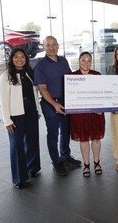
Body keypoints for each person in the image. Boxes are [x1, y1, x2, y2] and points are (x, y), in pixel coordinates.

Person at [34, 36, 81, 176]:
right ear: (44, 47)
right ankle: (56, 162)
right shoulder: (40, 66)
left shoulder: (63, 61)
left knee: (66, 131)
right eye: (48, 45)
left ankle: (66, 156)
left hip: (66, 102)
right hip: (50, 104)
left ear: (58, 45)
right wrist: (54, 104)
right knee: (53, 133)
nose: (52, 47)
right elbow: (42, 88)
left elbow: (71, 80)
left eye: (54, 44)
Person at [0, 48, 41, 189]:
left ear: (26, 59)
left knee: (33, 139)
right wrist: (7, 120)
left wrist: (37, 110)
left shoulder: (29, 73)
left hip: (30, 109)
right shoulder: (6, 76)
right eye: (16, 57)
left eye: (22, 57)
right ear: (11, 59)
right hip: (15, 113)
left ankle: (32, 168)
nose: (20, 59)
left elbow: (35, 93)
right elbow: (3, 100)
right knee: (17, 145)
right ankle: (19, 178)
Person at [70, 52, 105, 177]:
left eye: (89, 60)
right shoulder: (72, 77)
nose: (86, 63)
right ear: (79, 62)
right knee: (84, 139)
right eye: (83, 60)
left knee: (96, 138)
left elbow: (103, 95)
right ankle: (86, 165)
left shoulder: (97, 75)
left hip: (96, 114)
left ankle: (96, 162)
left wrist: (101, 108)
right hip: (80, 115)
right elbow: (71, 98)